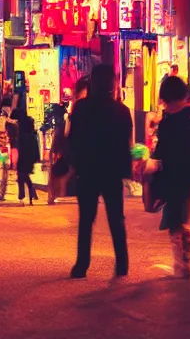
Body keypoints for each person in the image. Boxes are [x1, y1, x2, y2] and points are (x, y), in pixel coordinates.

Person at [67, 65, 132, 279]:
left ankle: (82, 265)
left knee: (86, 219)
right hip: (112, 171)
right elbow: (125, 144)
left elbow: (74, 140)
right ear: (112, 84)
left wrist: (74, 165)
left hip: (88, 170)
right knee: (116, 218)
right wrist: (126, 170)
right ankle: (122, 264)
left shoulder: (82, 108)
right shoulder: (122, 111)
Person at [151, 76, 190, 279]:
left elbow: (160, 150)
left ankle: (182, 262)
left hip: (172, 174)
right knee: (180, 216)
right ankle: (184, 259)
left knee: (175, 219)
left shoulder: (166, 119)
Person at [11, 105, 39, 205]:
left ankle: (23, 196)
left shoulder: (20, 127)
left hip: (23, 152)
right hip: (29, 152)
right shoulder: (29, 123)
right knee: (24, 175)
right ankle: (31, 195)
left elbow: (18, 142)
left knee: (22, 176)